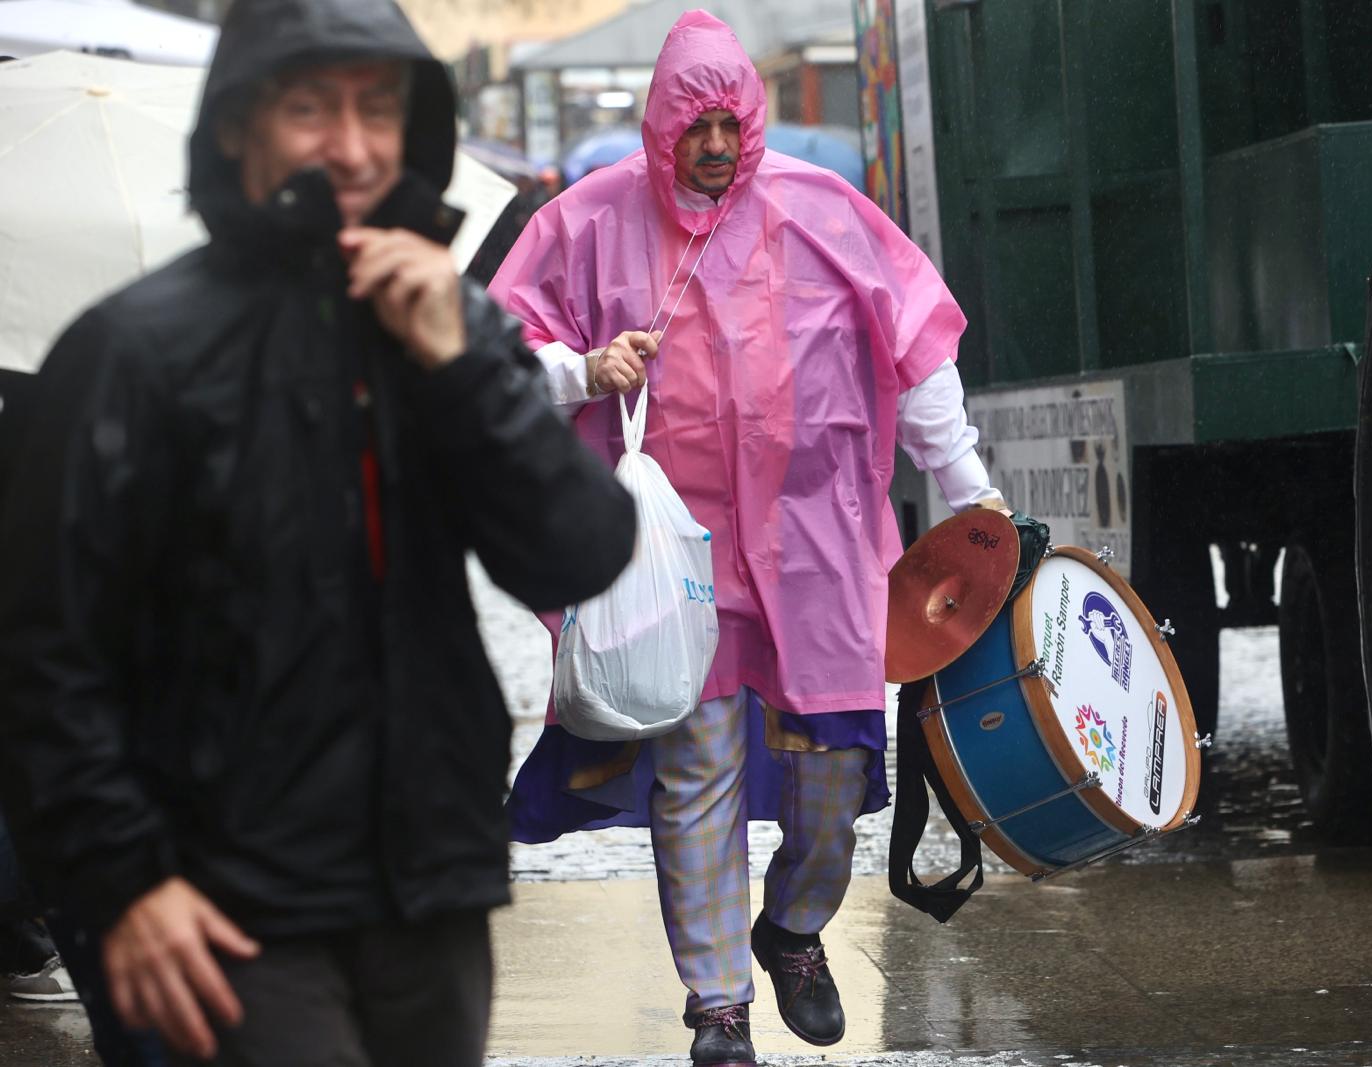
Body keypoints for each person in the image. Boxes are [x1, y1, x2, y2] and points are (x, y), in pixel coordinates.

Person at [0, 0, 636, 1064]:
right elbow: (44, 656)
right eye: (310, 108)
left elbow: (577, 549)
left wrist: (461, 367)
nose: (350, 143)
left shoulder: (449, 327)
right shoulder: (131, 352)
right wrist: (124, 885)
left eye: (377, 108)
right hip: (223, 899)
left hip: (426, 884)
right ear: (242, 124)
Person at [488, 12, 1003, 1066]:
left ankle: (794, 928)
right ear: (660, 127)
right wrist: (582, 371)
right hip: (671, 568)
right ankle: (717, 1003)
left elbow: (917, 350)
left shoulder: (824, 215)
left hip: (817, 549)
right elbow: (491, 363)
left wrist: (970, 495)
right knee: (696, 776)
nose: (717, 145)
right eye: (697, 126)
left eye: (732, 123)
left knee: (835, 775)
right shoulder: (586, 226)